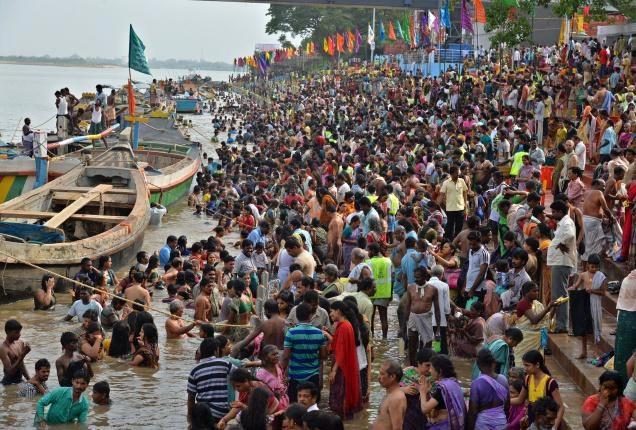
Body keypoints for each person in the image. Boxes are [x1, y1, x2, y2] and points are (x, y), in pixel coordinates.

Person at [282, 302, 327, 402]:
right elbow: (323, 356)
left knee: (295, 408)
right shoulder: (319, 333)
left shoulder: (291, 333)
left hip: (295, 377)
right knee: (312, 407)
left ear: (297, 316)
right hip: (313, 376)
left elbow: (285, 356)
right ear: (310, 316)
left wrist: (281, 374)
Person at [187, 338, 235, 427]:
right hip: (221, 412)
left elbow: (191, 397)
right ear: (216, 351)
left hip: (201, 413)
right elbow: (239, 374)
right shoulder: (225, 364)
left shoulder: (194, 371)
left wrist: (190, 417)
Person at [512, 350, 564, 429]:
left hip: (547, 423)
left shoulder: (550, 383)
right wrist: (502, 401)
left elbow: (560, 407)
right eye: (524, 365)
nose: (525, 368)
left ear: (537, 365)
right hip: (534, 421)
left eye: (527, 365)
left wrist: (554, 427)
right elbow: (520, 400)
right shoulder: (528, 379)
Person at [328, 300, 362, 419]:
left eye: (331, 311)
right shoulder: (347, 325)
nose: (330, 314)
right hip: (345, 364)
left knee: (341, 393)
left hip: (342, 367)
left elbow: (340, 351)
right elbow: (339, 345)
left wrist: (334, 370)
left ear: (338, 311)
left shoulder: (343, 327)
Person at [546, 200, 576, 333]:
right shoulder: (562, 222)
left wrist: (560, 243)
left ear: (560, 212)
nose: (552, 214)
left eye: (554, 212)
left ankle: (562, 325)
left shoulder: (566, 222)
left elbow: (570, 235)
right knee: (558, 294)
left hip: (562, 262)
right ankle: (559, 323)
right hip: (559, 262)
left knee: (560, 295)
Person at [417, 354, 467, 429]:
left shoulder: (442, 388)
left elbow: (424, 409)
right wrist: (427, 392)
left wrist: (422, 391)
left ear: (439, 371)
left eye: (432, 368)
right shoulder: (453, 382)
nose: (430, 371)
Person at [404, 267, 440, 365]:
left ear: (425, 277)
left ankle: (425, 368)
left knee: (427, 347)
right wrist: (403, 326)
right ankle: (413, 368)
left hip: (426, 319)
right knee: (412, 348)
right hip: (413, 318)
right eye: (415, 277)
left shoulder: (433, 289)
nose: (416, 280)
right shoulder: (410, 288)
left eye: (418, 277)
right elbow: (407, 307)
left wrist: (438, 330)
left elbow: (437, 310)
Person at [513, 282, 555, 363]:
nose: (537, 293)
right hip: (525, 339)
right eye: (534, 291)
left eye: (537, 291)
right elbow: (534, 320)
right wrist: (549, 307)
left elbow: (547, 318)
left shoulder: (537, 304)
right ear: (526, 292)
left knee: (538, 363)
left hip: (537, 339)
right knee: (524, 364)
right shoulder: (523, 303)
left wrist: (554, 307)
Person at [467, 349, 509, 430]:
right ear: (494, 363)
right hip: (501, 423)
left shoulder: (476, 384)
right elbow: (507, 406)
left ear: (478, 365)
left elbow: (473, 412)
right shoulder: (503, 380)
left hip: (483, 425)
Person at [374, 359, 408, 430]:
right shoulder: (391, 394)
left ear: (392, 377)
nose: (379, 377)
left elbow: (397, 428)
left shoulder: (396, 398)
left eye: (382, 374)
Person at [256, 344, 289, 412]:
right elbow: (260, 393)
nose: (277, 356)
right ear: (265, 357)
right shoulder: (261, 374)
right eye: (273, 355)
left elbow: (282, 380)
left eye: (277, 354)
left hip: (284, 403)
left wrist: (286, 382)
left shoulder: (279, 367)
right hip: (271, 406)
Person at [440, 165, 468, 240]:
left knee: (459, 226)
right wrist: (443, 205)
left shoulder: (461, 181)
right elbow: (442, 195)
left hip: (460, 208)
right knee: (450, 226)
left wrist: (465, 205)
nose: (458, 174)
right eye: (456, 173)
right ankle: (450, 241)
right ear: (452, 174)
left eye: (458, 172)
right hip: (450, 209)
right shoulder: (446, 183)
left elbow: (465, 192)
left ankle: (456, 240)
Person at [0, 319, 30, 385]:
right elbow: (9, 372)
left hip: (19, 379)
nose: (19, 335)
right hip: (8, 382)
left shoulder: (20, 343)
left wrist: (29, 379)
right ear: (8, 332)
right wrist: (23, 355)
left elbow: (22, 365)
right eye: (16, 332)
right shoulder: (3, 348)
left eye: (19, 332)